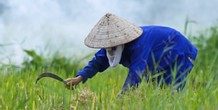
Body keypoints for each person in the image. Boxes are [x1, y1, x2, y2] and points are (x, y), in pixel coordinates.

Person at [65, 13, 198, 94]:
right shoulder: (111, 45)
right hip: (155, 61)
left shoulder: (139, 44)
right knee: (156, 93)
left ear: (120, 40)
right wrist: (79, 78)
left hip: (178, 53)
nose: (108, 48)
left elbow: (136, 73)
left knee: (172, 94)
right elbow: (97, 62)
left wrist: (122, 97)